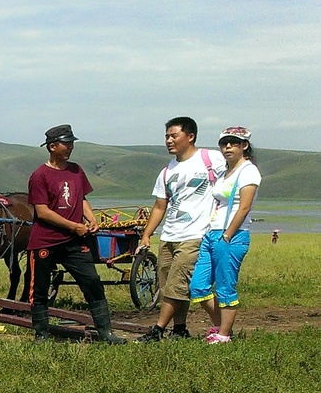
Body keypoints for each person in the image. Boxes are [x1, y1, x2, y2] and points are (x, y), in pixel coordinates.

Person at [24, 124, 123, 343]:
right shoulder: (39, 175)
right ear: (52, 146)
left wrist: (91, 218)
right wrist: (73, 225)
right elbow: (42, 211)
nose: (70, 147)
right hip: (46, 241)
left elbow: (82, 198)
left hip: (74, 241)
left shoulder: (76, 170)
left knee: (92, 281)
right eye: (66, 143)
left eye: (71, 143)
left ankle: (106, 333)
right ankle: (41, 334)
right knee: (39, 289)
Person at [136, 117, 225, 342]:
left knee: (177, 283)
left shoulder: (211, 159)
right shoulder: (167, 171)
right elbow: (159, 206)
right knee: (168, 286)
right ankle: (180, 328)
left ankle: (157, 330)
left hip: (196, 234)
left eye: (174, 135)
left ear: (190, 136)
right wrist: (147, 234)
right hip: (169, 235)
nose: (169, 140)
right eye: (166, 136)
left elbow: (236, 176)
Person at [191, 127, 260, 344]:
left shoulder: (248, 171)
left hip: (233, 234)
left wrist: (228, 234)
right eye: (224, 143)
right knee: (198, 286)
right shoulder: (224, 172)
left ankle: (223, 335)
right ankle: (221, 325)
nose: (228, 147)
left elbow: (244, 207)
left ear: (244, 145)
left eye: (233, 142)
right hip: (212, 233)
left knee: (225, 286)